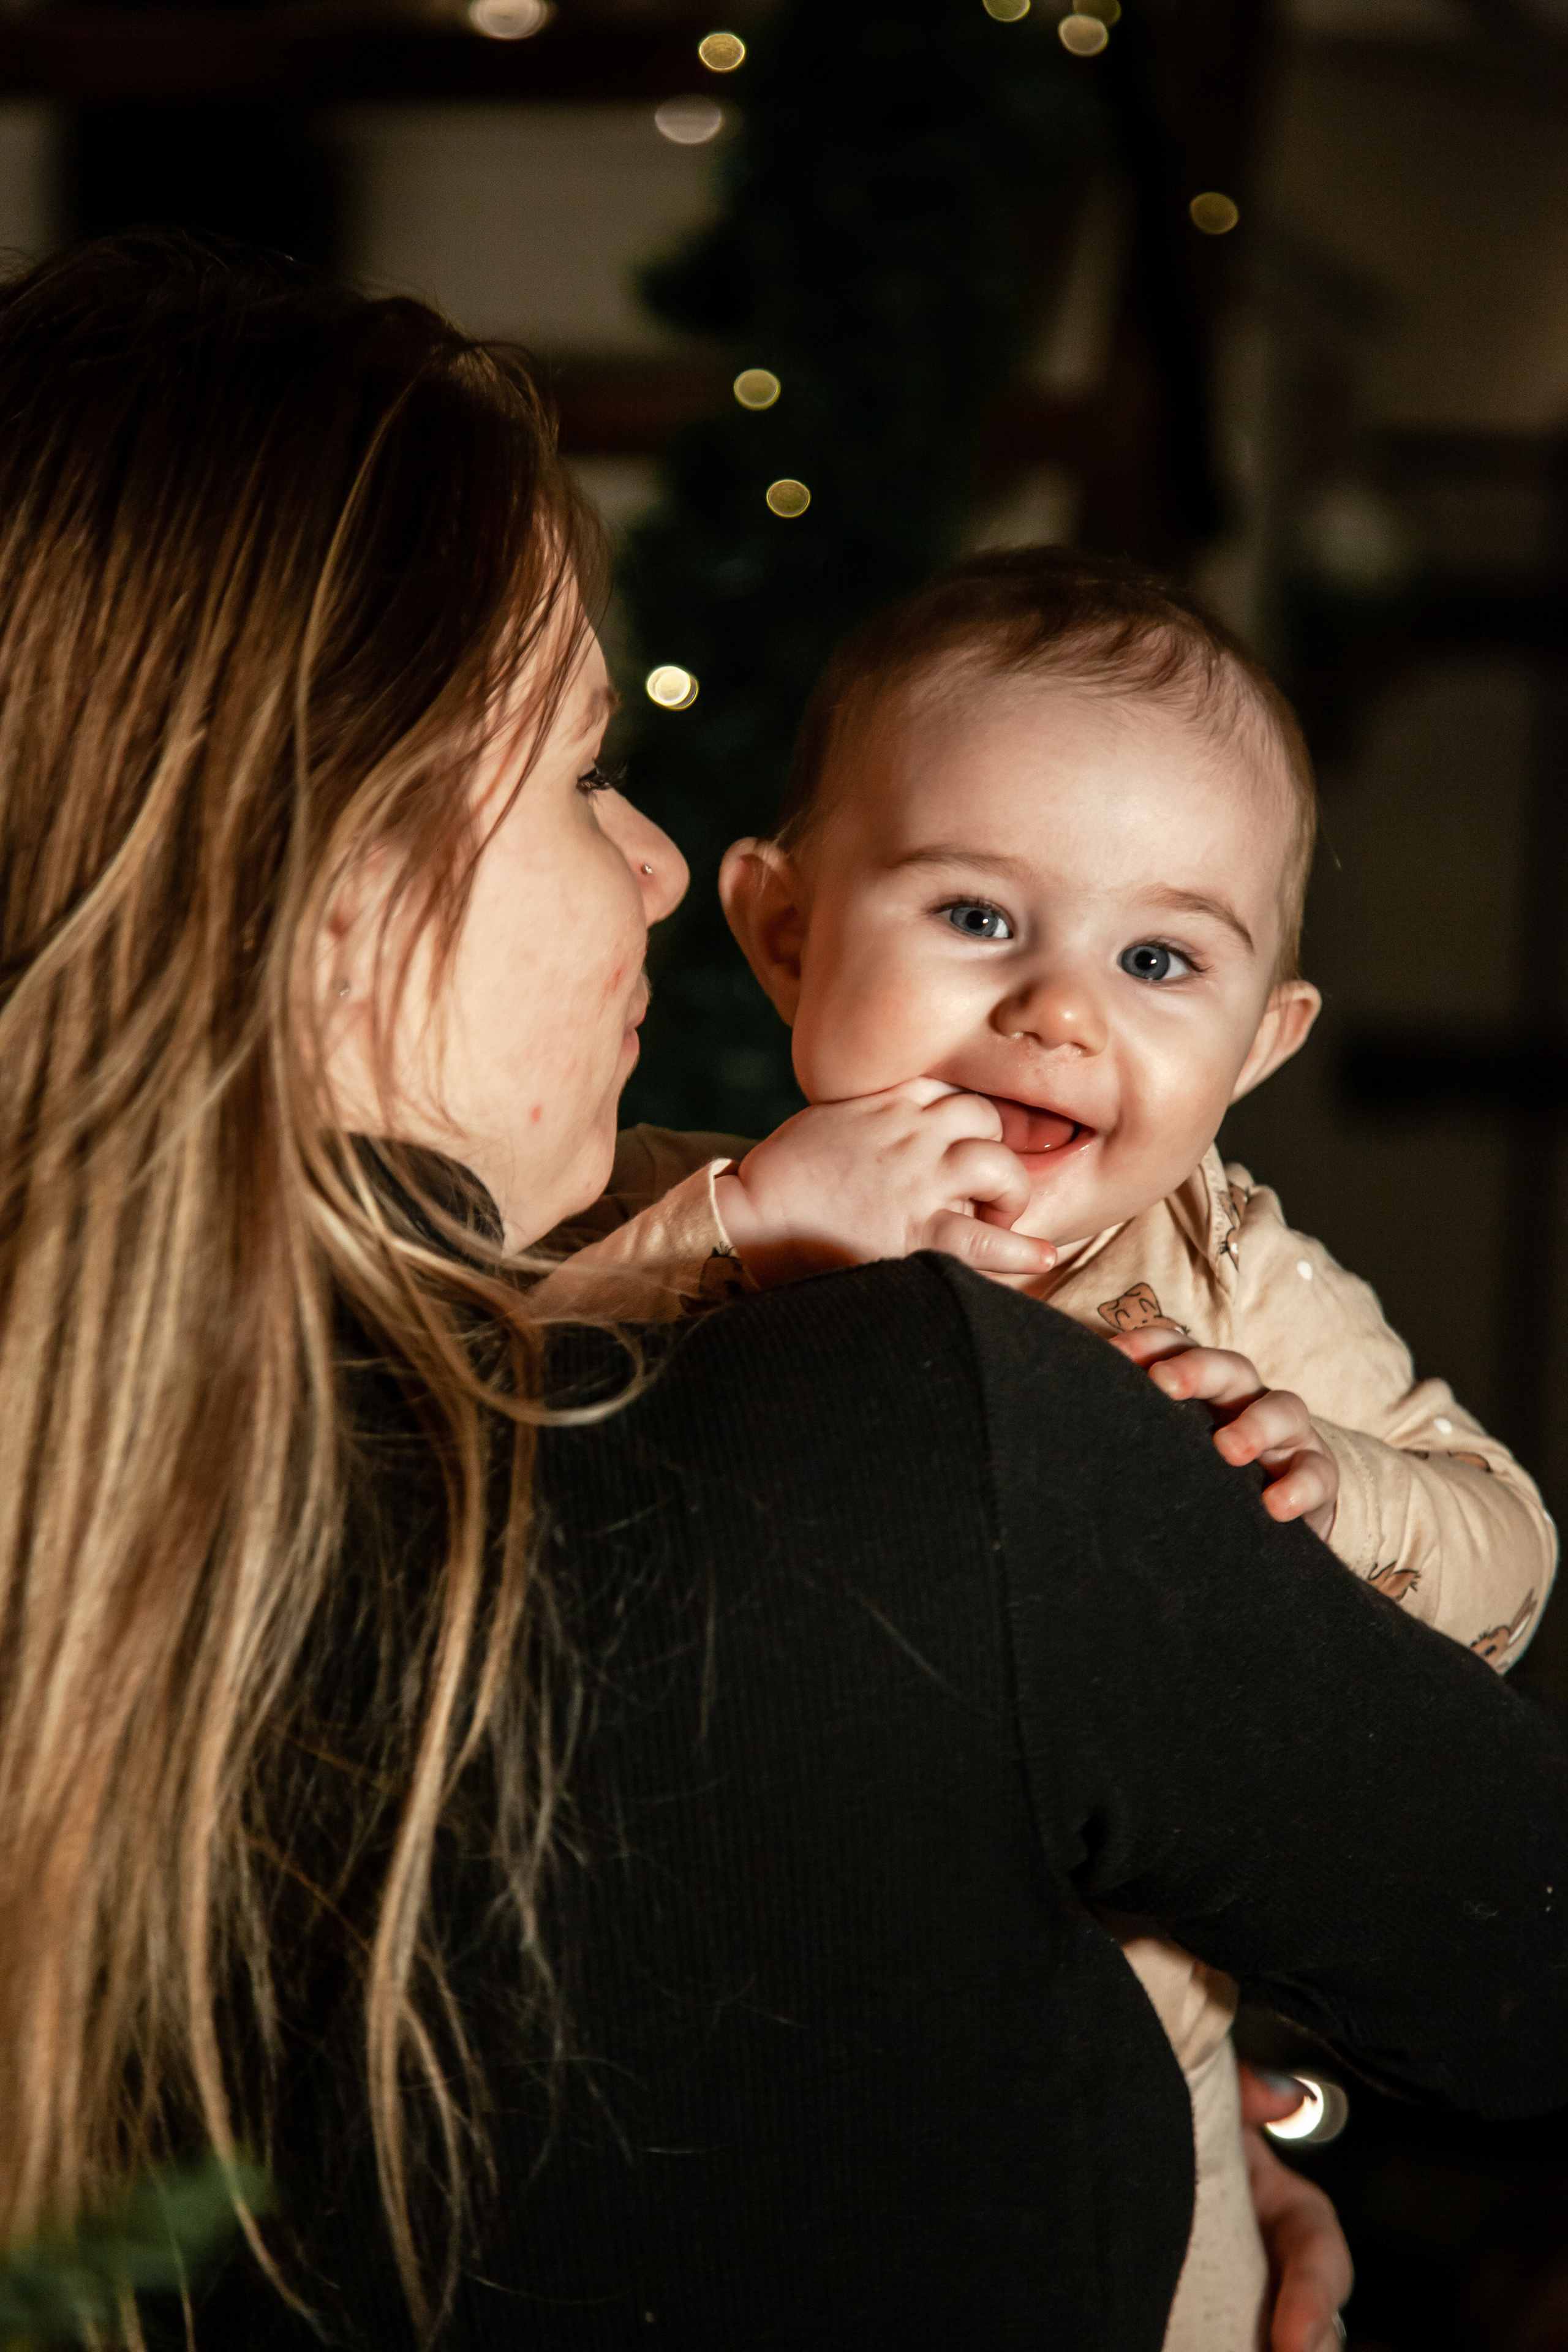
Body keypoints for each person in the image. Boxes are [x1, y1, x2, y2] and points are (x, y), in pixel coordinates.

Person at [0, 234, 1564, 2352]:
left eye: (1165, 957)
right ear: (332, 889)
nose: (652, 860)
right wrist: (1158, 2094)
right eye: (574, 776)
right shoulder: (926, 1433)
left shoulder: (122, 1581)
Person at [530, 551, 1557, 2350]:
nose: (1063, 1011)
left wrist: (1321, 1477)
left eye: (1161, 960)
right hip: (769, 2092)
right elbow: (473, 1440)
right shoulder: (673, 1205)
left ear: (1262, 1044)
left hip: (1154, 2097)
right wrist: (734, 1232)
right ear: (785, 932)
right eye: (980, 919)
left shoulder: (1242, 1280)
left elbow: (1508, 1548)